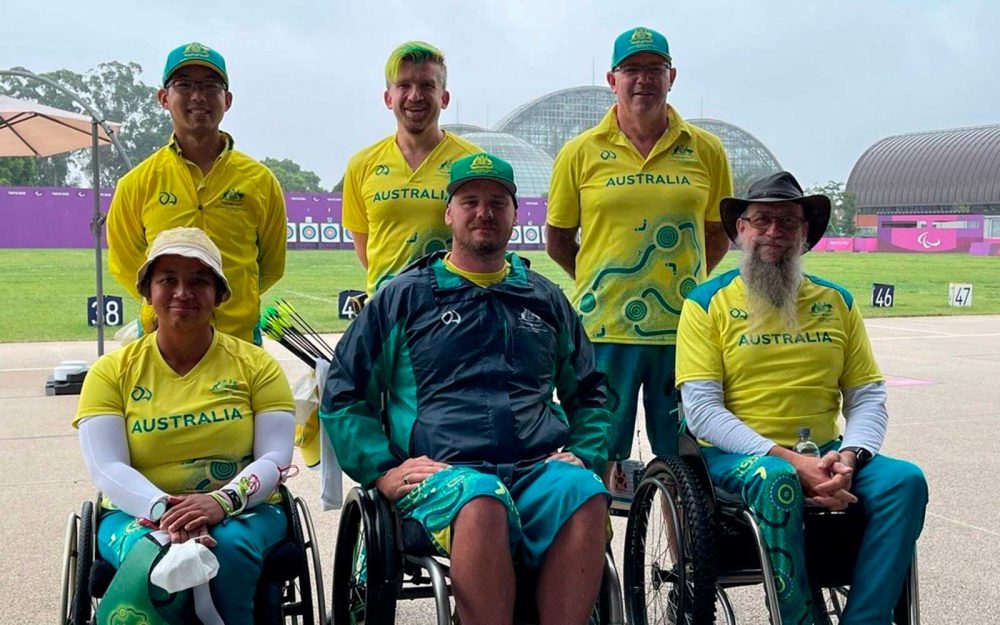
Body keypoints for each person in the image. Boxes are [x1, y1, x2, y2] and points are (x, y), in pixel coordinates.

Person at [322, 152, 611, 625]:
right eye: (470, 201)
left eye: (498, 202)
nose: (484, 212)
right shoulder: (404, 297)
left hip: (535, 468)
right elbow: (344, 392)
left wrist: (585, 451)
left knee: (584, 491)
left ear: (516, 215)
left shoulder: (545, 298)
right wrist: (382, 471)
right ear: (448, 214)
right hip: (444, 474)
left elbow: (592, 391)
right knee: (481, 499)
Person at [675, 171, 928, 625]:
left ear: (805, 232)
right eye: (762, 219)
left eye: (788, 221)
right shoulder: (705, 303)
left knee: (904, 482)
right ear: (741, 229)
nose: (775, 231)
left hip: (826, 452)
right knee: (779, 480)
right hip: (737, 457)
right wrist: (792, 461)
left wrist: (849, 458)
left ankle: (866, 619)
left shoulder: (837, 301)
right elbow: (703, 412)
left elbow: (867, 396)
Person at [75, 227, 295, 624]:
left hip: (242, 508)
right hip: (137, 511)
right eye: (168, 280)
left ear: (219, 294)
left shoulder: (257, 365)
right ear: (147, 291)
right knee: (155, 555)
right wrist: (166, 511)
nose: (183, 292)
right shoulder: (110, 372)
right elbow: (106, 467)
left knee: (227, 550)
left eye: (198, 281)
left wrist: (221, 501)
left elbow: (276, 457)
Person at [546, 26, 733, 472]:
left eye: (655, 69)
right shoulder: (579, 152)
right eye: (632, 69)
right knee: (595, 456)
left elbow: (718, 231)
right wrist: (601, 283)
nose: (643, 79)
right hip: (603, 331)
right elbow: (558, 240)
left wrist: (685, 287)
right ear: (612, 80)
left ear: (672, 77)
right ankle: (598, 521)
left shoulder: (706, 150)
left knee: (687, 460)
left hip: (684, 332)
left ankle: (680, 522)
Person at [107, 42, 287, 345]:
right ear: (164, 98)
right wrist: (168, 305)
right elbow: (126, 264)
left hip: (238, 341)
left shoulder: (260, 181)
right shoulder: (137, 183)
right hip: (163, 343)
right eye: (184, 85)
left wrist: (232, 303)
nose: (198, 96)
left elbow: (270, 267)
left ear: (227, 100)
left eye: (210, 86)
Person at [342, 40, 480, 295]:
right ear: (388, 98)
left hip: (456, 309)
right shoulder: (362, 164)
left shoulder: (472, 161)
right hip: (387, 311)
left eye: (427, 85)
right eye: (404, 85)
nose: (415, 95)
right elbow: (367, 251)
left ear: (444, 98)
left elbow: (485, 241)